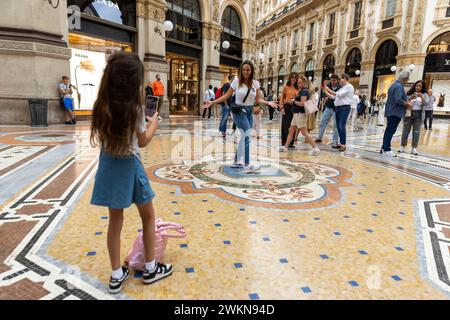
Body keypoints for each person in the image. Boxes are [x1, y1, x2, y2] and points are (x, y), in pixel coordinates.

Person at [90, 52, 172, 294]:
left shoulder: (100, 106)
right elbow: (143, 140)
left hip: (108, 165)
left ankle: (116, 276)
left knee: (115, 221)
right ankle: (150, 268)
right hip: (130, 165)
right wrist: (154, 123)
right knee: (148, 216)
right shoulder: (135, 109)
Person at [203, 60, 278, 173]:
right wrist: (212, 102)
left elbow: (257, 99)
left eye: (248, 70)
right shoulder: (236, 82)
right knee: (247, 136)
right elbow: (226, 96)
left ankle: (237, 161)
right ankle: (247, 164)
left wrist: (268, 103)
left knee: (244, 136)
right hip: (238, 112)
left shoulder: (255, 83)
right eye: (243, 70)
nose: (245, 72)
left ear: (251, 70)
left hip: (249, 112)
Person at [279, 76, 320, 155]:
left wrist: (294, 101)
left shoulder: (304, 91)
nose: (298, 84)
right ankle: (285, 147)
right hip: (296, 114)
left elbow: (302, 104)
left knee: (304, 132)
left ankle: (315, 148)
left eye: (300, 82)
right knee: (291, 131)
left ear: (304, 83)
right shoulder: (301, 91)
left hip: (300, 114)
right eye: (298, 82)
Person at [380, 71, 412, 157]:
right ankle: (387, 149)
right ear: (405, 79)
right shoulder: (399, 86)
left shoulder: (394, 85)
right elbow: (398, 99)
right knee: (390, 131)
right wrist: (407, 104)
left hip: (391, 111)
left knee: (388, 130)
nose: (407, 81)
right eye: (407, 79)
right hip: (395, 112)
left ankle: (384, 147)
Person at [324, 73, 354, 152]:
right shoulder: (342, 88)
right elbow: (333, 97)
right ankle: (341, 144)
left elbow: (338, 94)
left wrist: (328, 89)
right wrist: (325, 91)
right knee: (338, 126)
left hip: (344, 108)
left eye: (340, 78)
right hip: (337, 108)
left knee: (341, 126)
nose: (339, 80)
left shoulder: (349, 86)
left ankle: (343, 144)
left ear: (345, 78)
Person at [399, 80, 429, 155]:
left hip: (418, 114)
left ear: (422, 87)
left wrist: (421, 97)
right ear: (414, 86)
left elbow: (426, 104)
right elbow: (404, 102)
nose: (418, 87)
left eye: (420, 86)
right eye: (417, 85)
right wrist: (410, 98)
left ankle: (414, 148)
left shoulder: (425, 94)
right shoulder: (409, 93)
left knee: (416, 132)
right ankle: (402, 146)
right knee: (405, 131)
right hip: (409, 113)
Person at [315, 74, 340, 147]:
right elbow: (325, 95)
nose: (332, 82)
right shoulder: (328, 85)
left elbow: (333, 97)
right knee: (322, 122)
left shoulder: (340, 87)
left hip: (336, 108)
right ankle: (319, 137)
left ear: (337, 80)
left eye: (334, 80)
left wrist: (327, 91)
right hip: (328, 107)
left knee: (336, 125)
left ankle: (335, 141)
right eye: (331, 80)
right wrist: (325, 91)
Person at [279, 72, 299, 149]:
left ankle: (291, 142)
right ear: (290, 78)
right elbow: (281, 98)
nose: (293, 78)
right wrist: (281, 107)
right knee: (285, 125)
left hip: (295, 107)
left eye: (295, 77)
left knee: (293, 125)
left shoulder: (298, 89)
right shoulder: (286, 87)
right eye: (292, 77)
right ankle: (284, 142)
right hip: (287, 107)